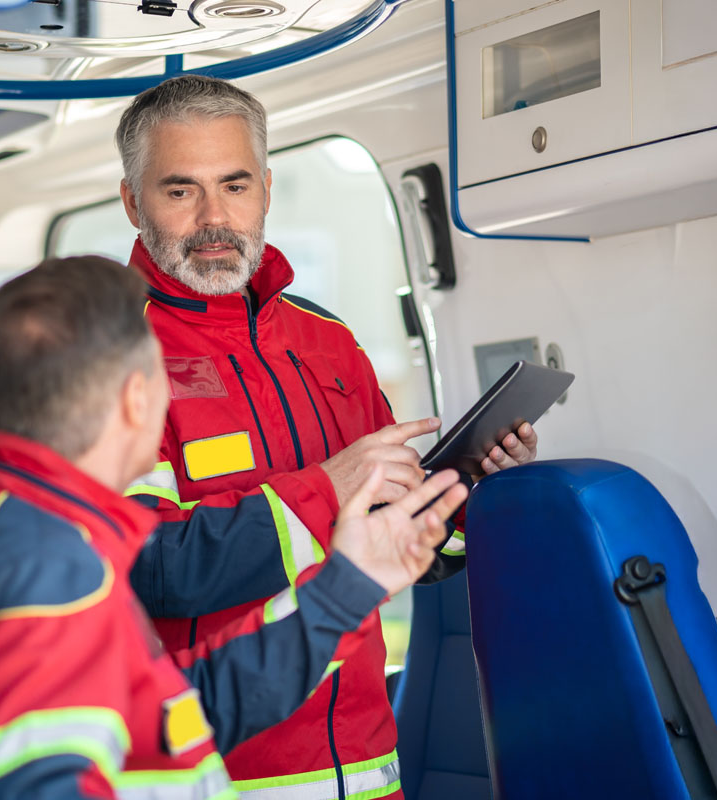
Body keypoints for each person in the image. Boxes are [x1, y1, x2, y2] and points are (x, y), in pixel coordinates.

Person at [0, 256, 469, 799]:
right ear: (137, 398)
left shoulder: (32, 540)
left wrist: (346, 589)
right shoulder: (40, 573)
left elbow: (170, 717)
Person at [114, 75, 539, 798]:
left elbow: (397, 541)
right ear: (133, 200)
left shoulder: (327, 339)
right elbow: (147, 570)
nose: (215, 217)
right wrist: (325, 490)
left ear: (268, 189)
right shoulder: (110, 352)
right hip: (213, 776)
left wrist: (472, 493)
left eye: (236, 185)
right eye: (181, 190)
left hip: (368, 768)